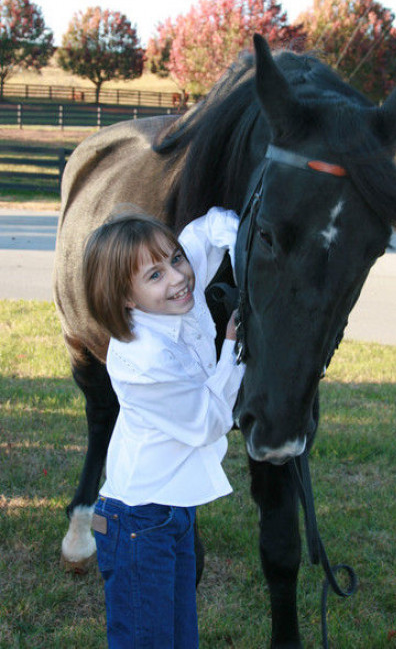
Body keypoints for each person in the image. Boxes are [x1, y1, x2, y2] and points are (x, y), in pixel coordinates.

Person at [82, 206, 244, 649]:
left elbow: (206, 230)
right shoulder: (142, 359)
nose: (178, 277)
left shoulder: (174, 298)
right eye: (154, 275)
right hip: (138, 522)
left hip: (173, 511)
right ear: (125, 299)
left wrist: (239, 240)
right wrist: (234, 348)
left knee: (179, 639)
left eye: (175, 259)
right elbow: (209, 421)